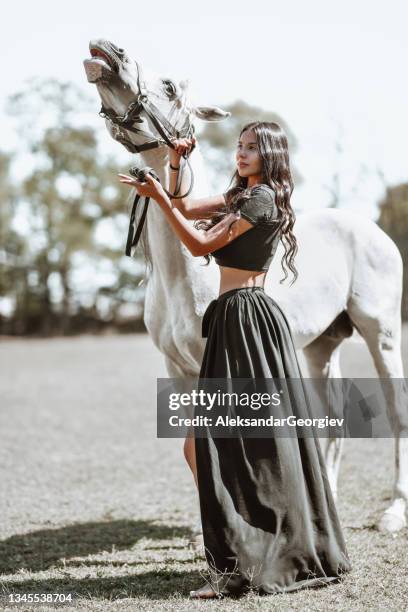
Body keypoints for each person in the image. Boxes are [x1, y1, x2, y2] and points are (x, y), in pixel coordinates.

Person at [118, 121, 352, 599]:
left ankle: (238, 567)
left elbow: (200, 244)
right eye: (238, 146)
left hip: (246, 320)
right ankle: (246, 554)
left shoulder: (261, 199)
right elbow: (185, 207)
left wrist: (158, 197)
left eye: (251, 148)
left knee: (234, 445)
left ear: (269, 154)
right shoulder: (240, 197)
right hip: (230, 319)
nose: (241, 154)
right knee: (205, 444)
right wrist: (176, 165)